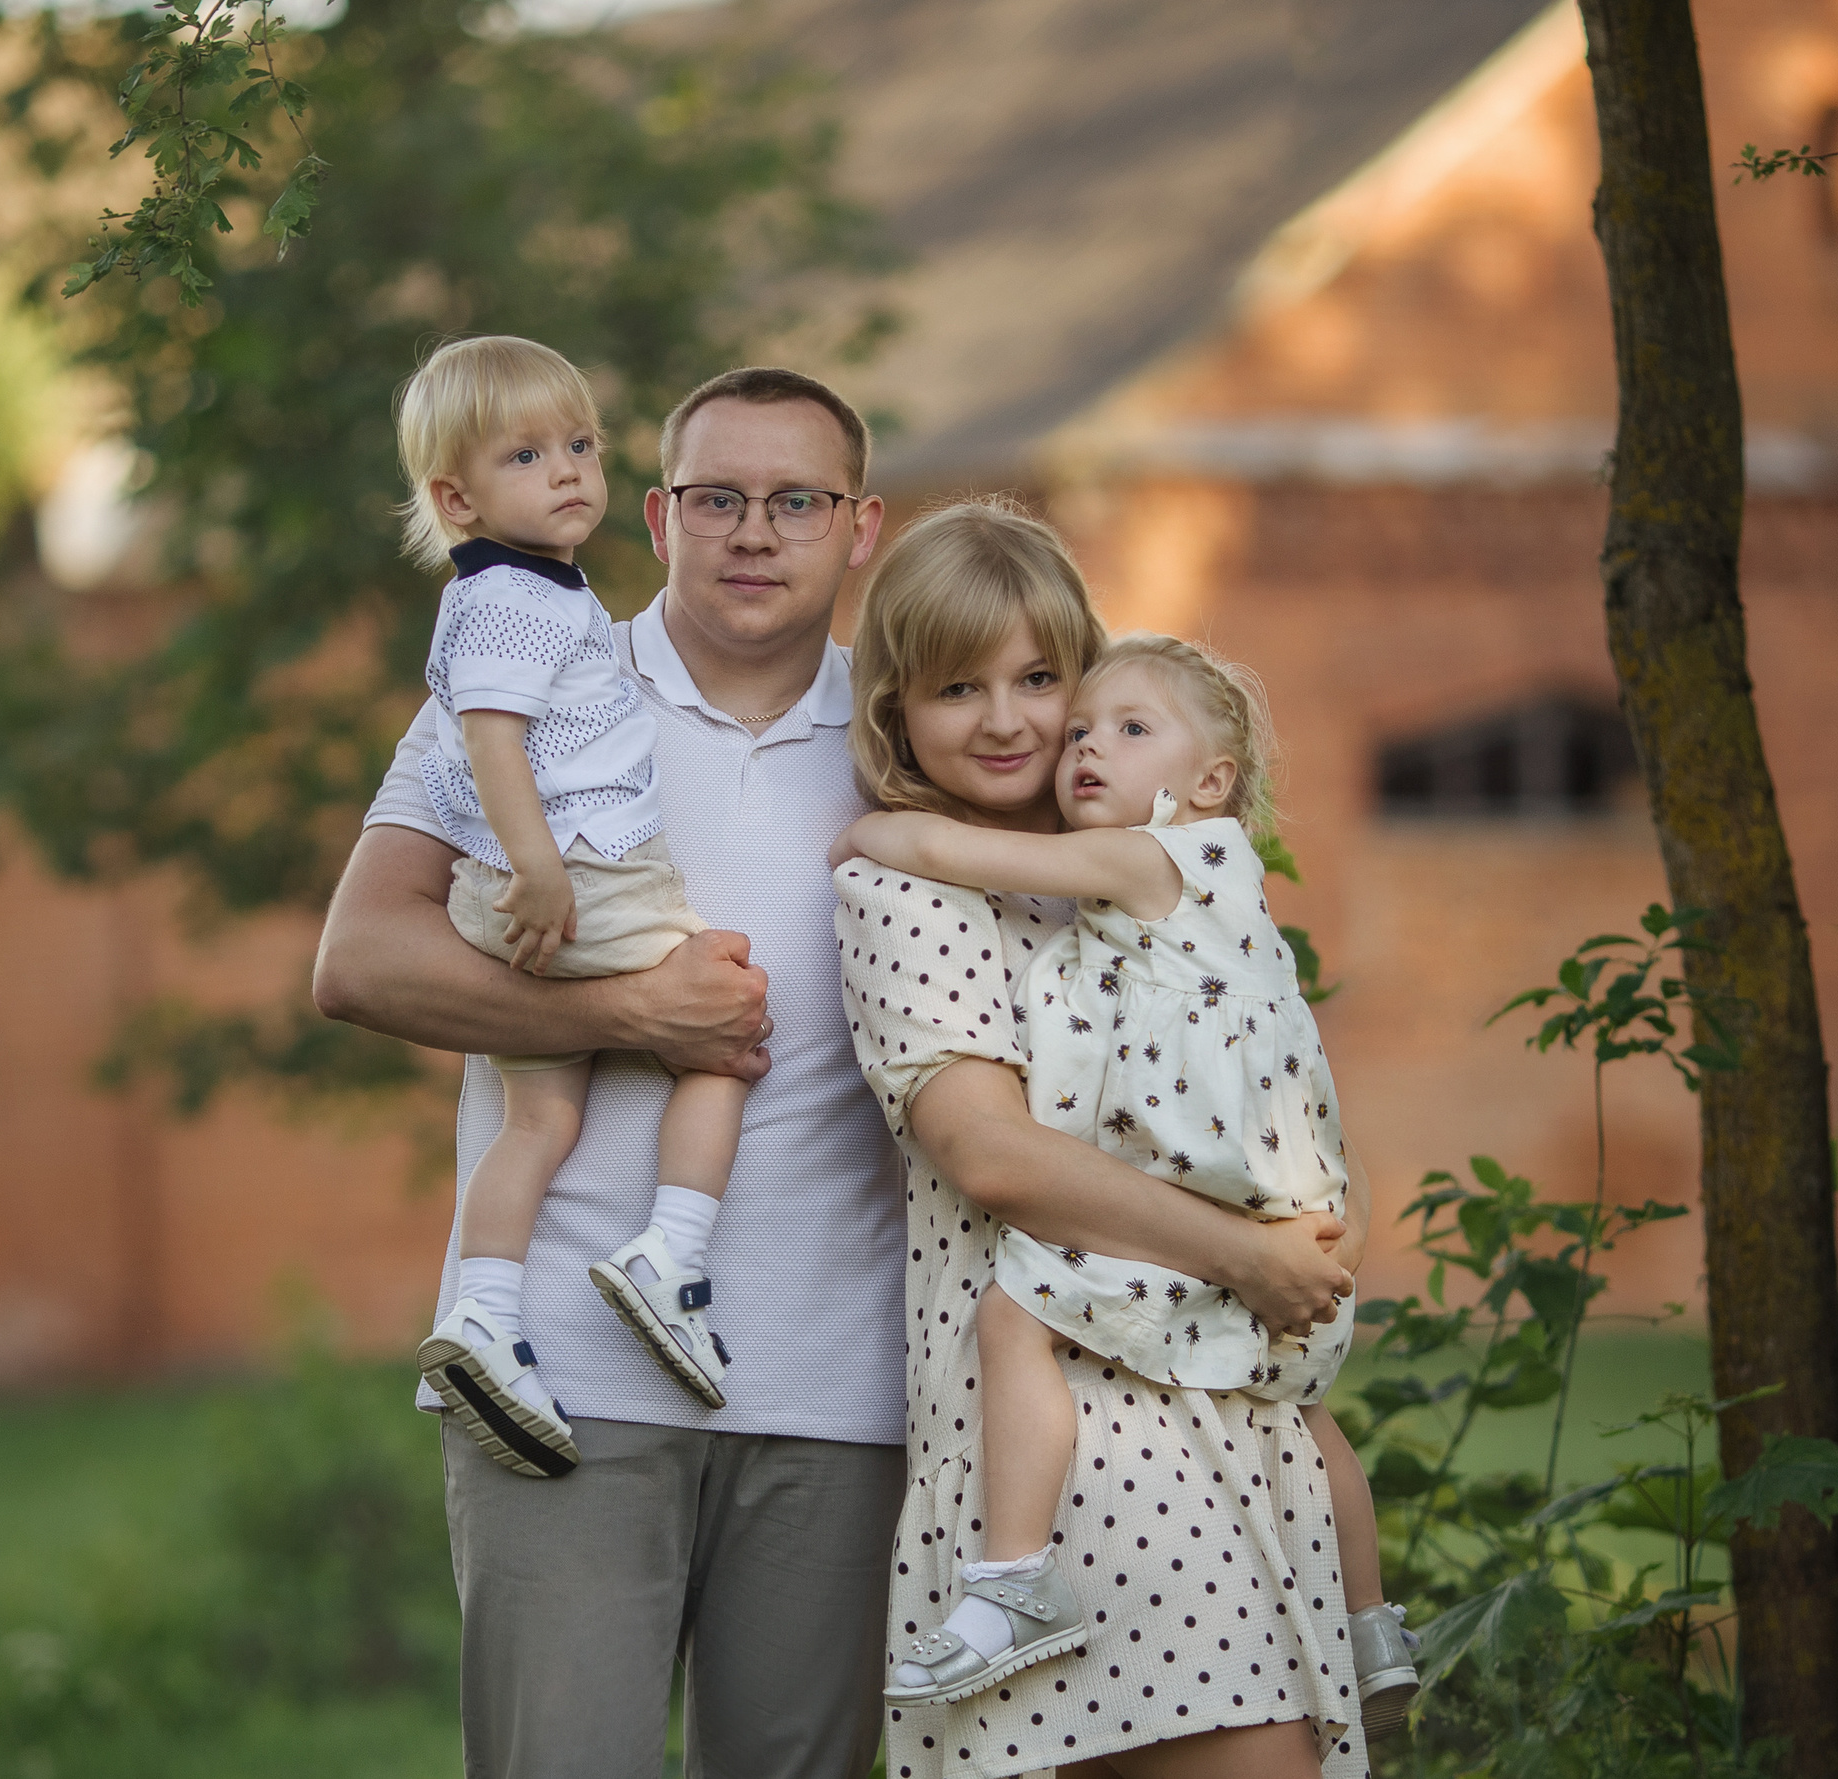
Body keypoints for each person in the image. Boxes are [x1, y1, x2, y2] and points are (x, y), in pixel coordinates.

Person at [311, 374, 1355, 1779]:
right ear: (656, 513)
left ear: (860, 526)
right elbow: (360, 957)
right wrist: (635, 1008)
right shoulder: (527, 690)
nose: (755, 532)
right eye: (716, 498)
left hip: (848, 1398)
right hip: (567, 1367)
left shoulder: (925, 736)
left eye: (796, 500)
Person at [830, 499, 1374, 1779]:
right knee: (1249, 1756)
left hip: (1213, 1376)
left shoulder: (1138, 866)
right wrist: (1252, 1255)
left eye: (1039, 680)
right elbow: (996, 1158)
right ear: (895, 708)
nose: (1011, 721)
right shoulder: (909, 889)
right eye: (959, 688)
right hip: (1068, 1401)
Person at [395, 336, 750, 1476]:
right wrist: (538, 867)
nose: (570, 472)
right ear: (456, 498)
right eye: (529, 454)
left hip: (513, 890)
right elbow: (495, 742)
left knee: (538, 1121)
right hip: (579, 877)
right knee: (723, 1022)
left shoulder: (517, 589)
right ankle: (671, 1253)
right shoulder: (512, 601)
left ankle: (484, 1316)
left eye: (584, 445)